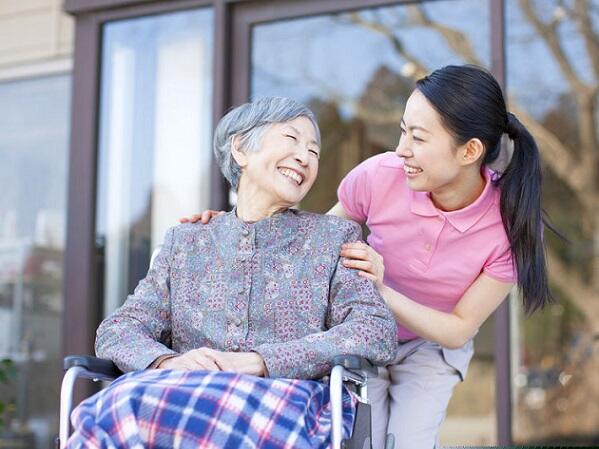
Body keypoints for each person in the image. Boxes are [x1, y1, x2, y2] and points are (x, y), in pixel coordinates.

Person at [183, 65, 557, 449]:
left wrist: (380, 288)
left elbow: (458, 328)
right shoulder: (380, 175)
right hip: (359, 334)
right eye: (402, 130)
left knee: (407, 442)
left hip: (432, 348)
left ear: (470, 151)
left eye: (419, 138)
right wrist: (237, 225)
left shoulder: (511, 225)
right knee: (361, 440)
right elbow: (307, 248)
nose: (401, 149)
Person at [65, 97, 398, 449]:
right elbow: (118, 330)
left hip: (286, 401)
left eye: (314, 151)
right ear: (240, 149)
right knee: (117, 404)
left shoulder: (332, 238)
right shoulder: (187, 243)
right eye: (291, 139)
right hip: (178, 398)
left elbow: (374, 329)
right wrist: (168, 362)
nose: (305, 157)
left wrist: (261, 362)